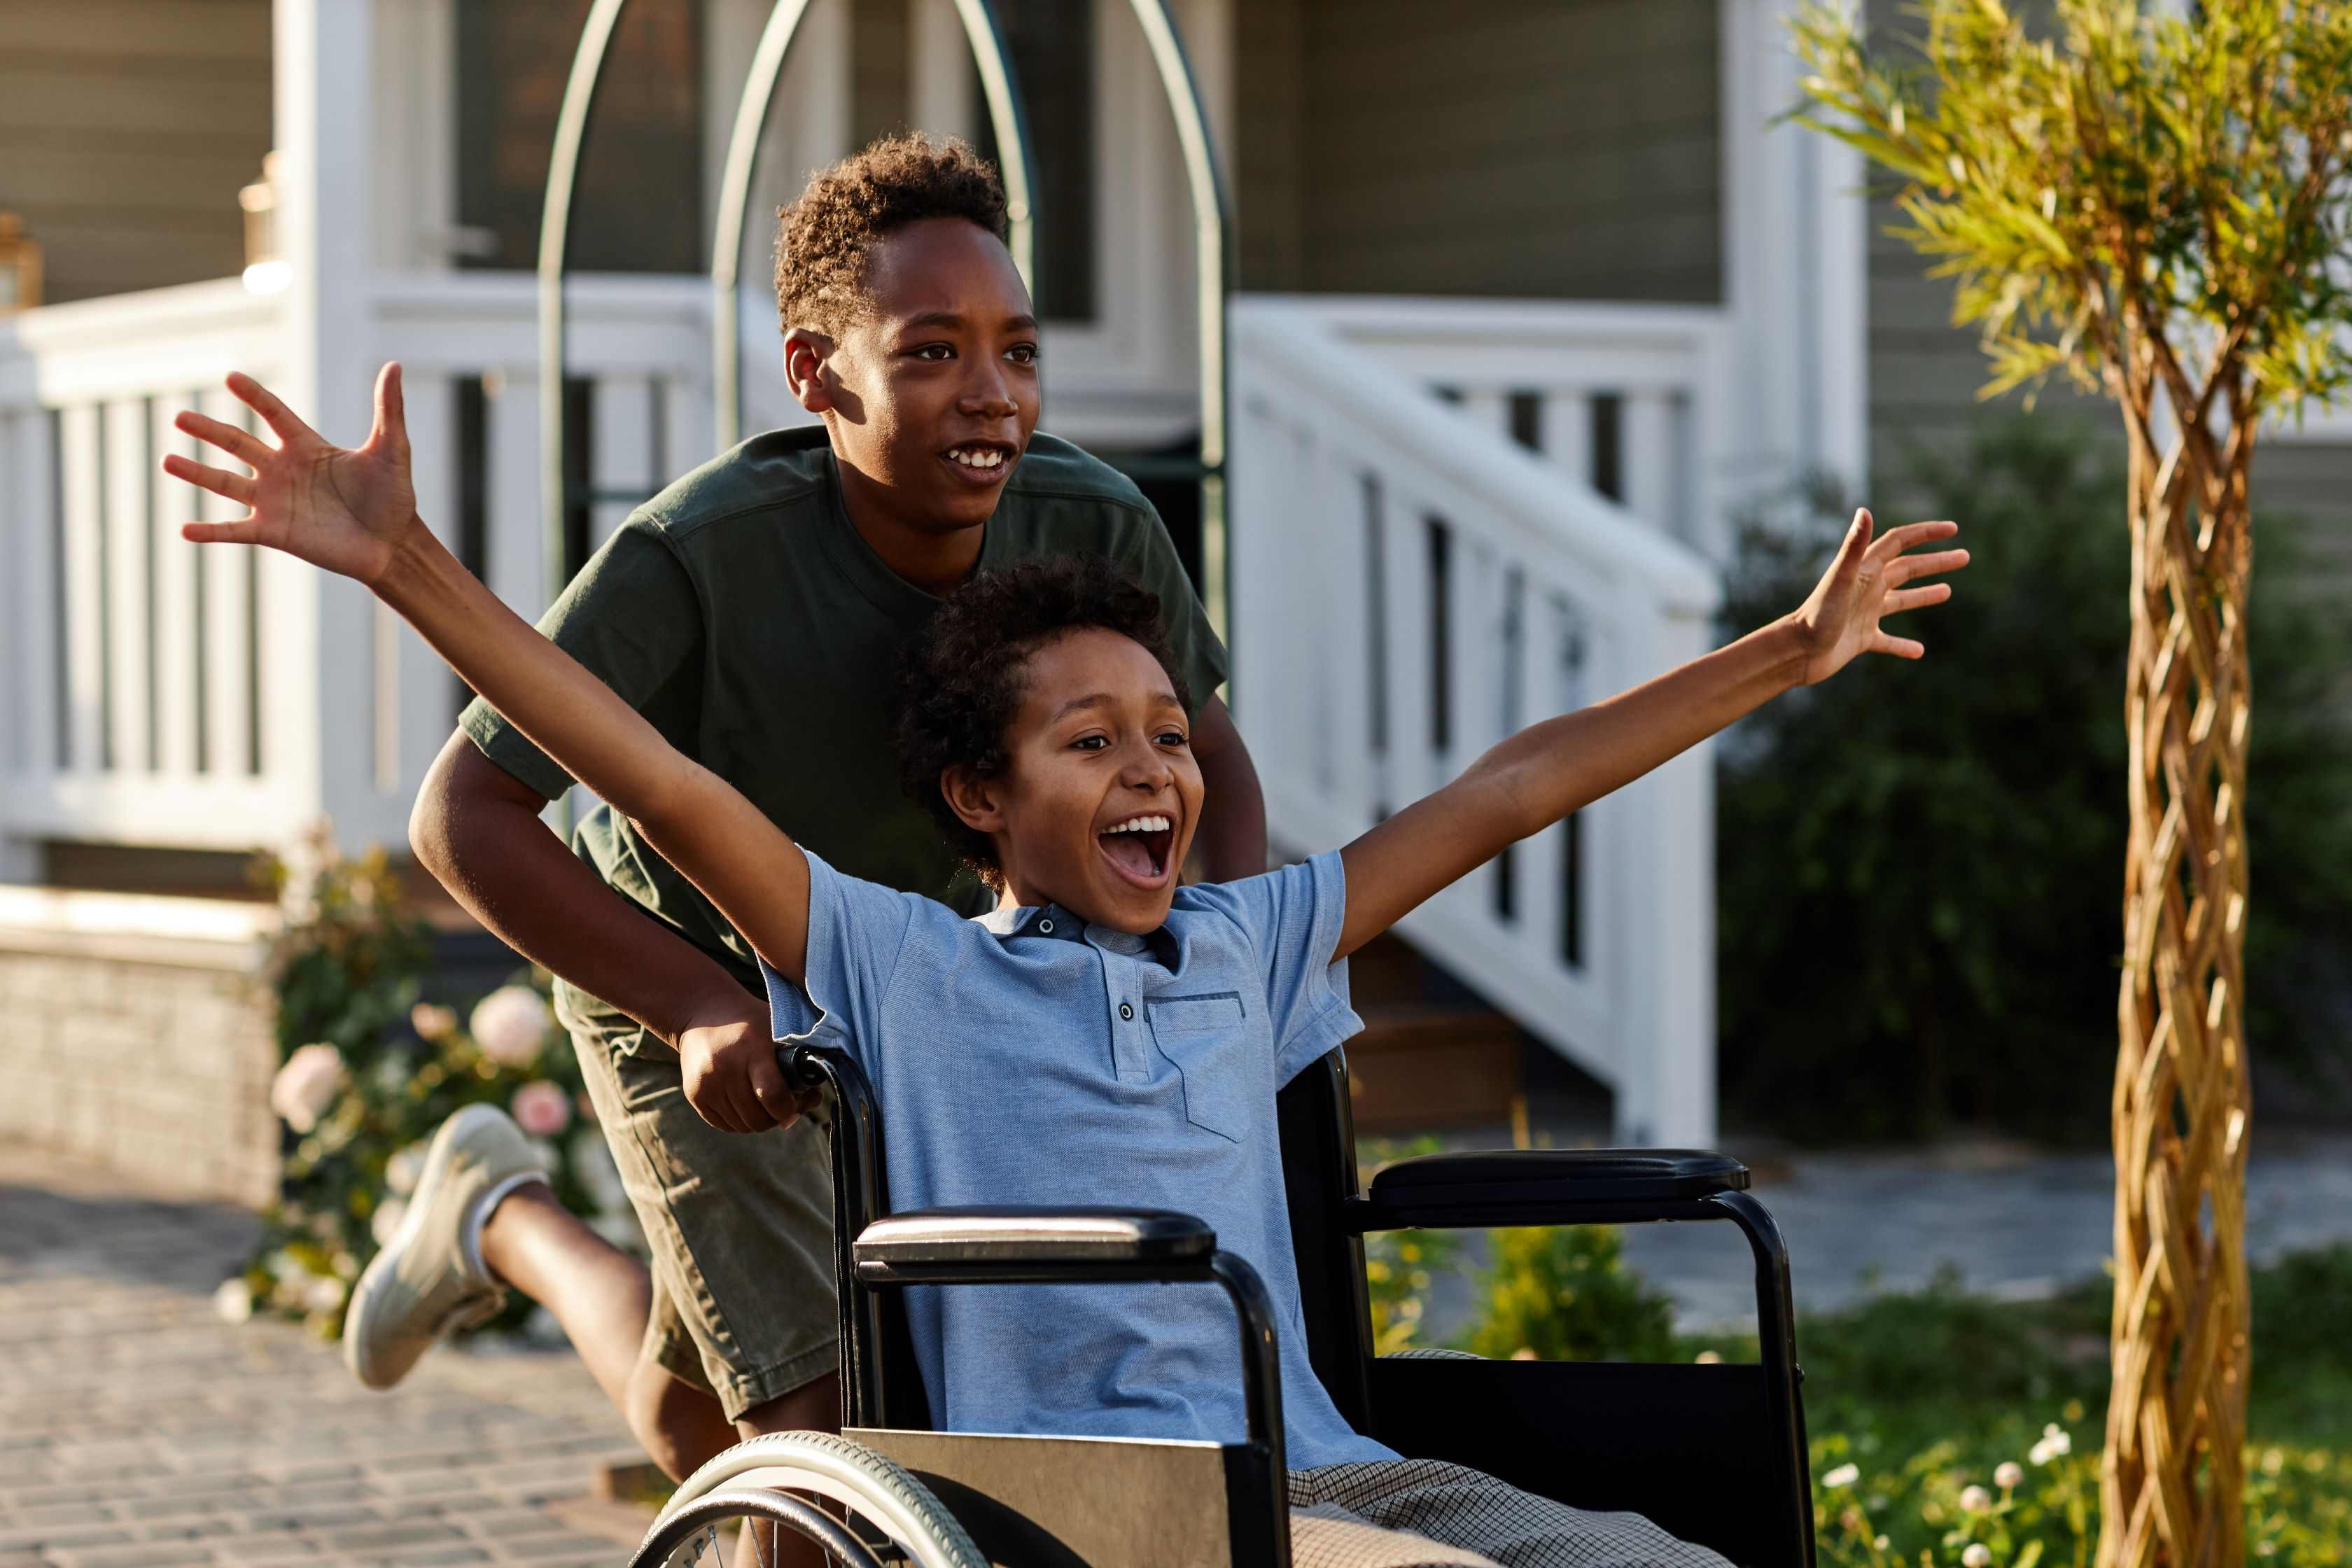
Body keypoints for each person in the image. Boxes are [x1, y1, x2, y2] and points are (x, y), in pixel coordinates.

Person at [162, 349, 1965, 1565]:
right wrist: (408, 566)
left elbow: (1506, 791)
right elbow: (651, 774)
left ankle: (497, 1222)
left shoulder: (1249, 947)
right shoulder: (897, 964)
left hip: (1326, 1465)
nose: (1155, 768)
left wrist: (1781, 655)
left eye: (1170, 733)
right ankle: (508, 1223)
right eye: (1090, 741)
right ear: (978, 794)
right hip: (1104, 1508)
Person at [287, 134, 1266, 1485]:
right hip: (687, 976)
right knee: (818, 1417)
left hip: (909, 989)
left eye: (1018, 351)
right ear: (817, 374)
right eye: (930, 352)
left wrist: (1206, 974)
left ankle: (499, 1216)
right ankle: (515, 1211)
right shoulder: (700, 557)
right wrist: (693, 1007)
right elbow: (467, 814)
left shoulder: (1091, 523)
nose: (990, 396)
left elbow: (1211, 751)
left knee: (708, 1424)